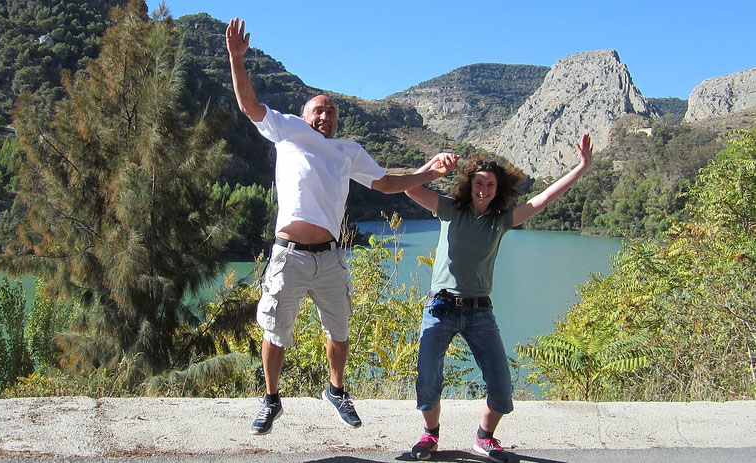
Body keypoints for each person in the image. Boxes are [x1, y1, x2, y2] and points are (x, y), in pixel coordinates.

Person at [225, 17, 454, 435]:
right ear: (304, 115)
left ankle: (335, 390)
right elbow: (249, 106)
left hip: (330, 257)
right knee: (276, 330)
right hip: (288, 255)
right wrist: (236, 59)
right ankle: (272, 399)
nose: (326, 114)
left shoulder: (349, 151)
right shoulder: (289, 132)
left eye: (331, 110)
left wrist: (430, 175)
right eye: (319, 109)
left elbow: (388, 184)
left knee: (340, 329)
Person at [404, 134, 594, 461]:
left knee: (501, 387)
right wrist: (433, 169)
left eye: (490, 184)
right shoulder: (450, 210)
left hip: (479, 312)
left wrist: (582, 167)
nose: (483, 189)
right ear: (469, 184)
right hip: (440, 308)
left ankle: (485, 437)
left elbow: (544, 199)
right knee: (428, 378)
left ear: (498, 189)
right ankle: (430, 435)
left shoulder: (501, 220)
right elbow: (410, 188)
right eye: (478, 182)